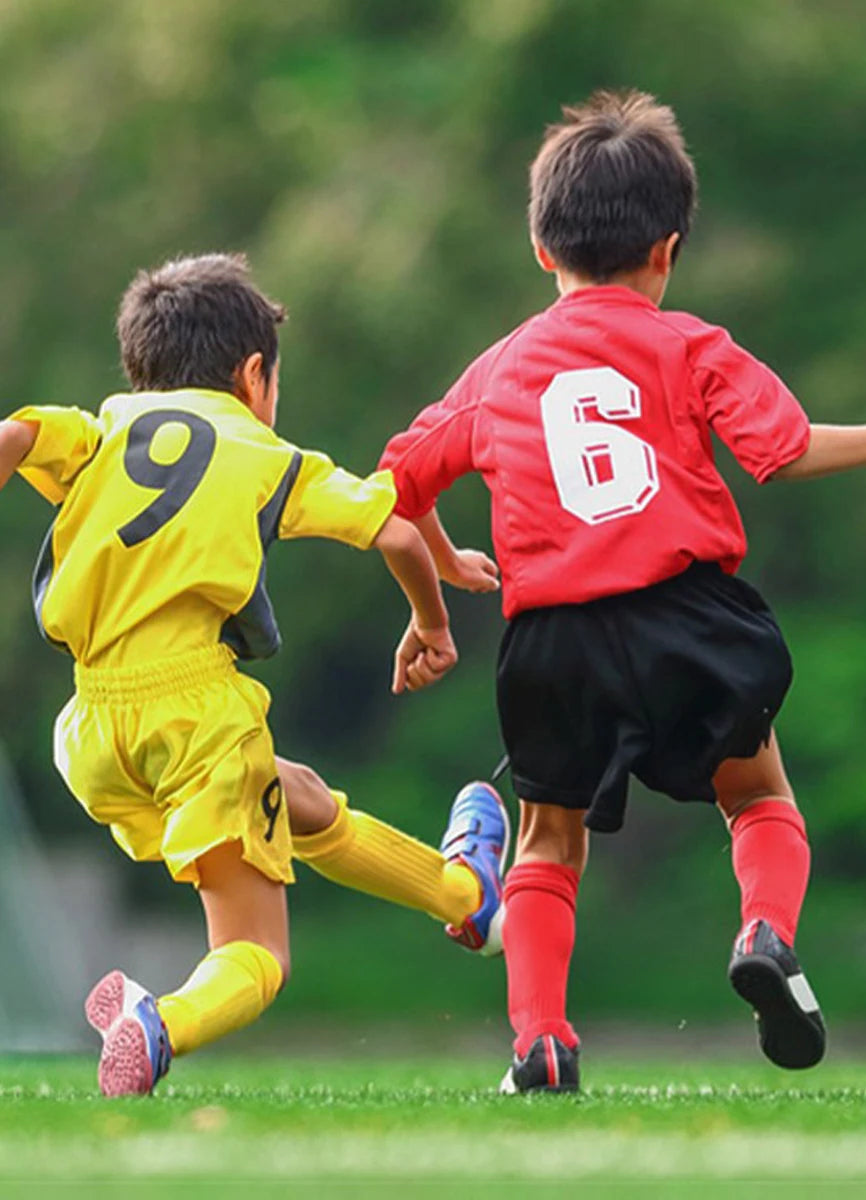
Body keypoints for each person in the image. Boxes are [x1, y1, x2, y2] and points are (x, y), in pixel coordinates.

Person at [378, 91, 866, 1093]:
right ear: (668, 250)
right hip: (683, 617)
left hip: (551, 636)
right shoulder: (688, 344)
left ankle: (540, 1042)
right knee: (758, 792)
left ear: (541, 248)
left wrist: (443, 576)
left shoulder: (499, 369)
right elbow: (785, 450)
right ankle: (766, 935)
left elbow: (394, 486)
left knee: (549, 841)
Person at [0, 253, 507, 1097]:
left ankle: (465, 898)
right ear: (253, 374)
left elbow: (13, 437)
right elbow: (396, 533)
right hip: (197, 712)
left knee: (292, 794)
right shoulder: (266, 453)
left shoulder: (102, 428)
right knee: (258, 956)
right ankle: (161, 1022)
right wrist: (432, 619)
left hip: (92, 727)